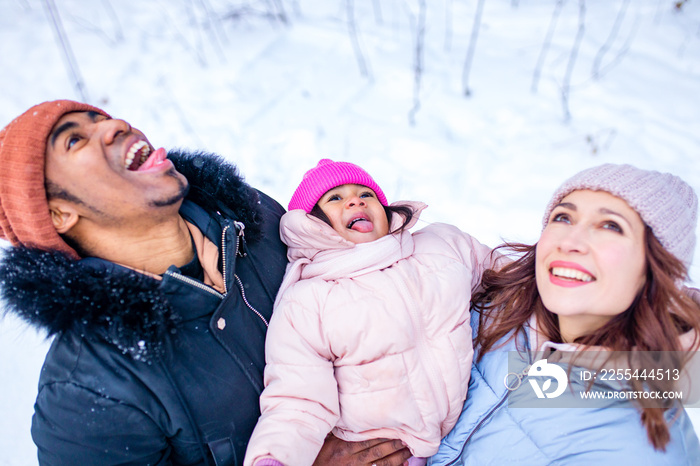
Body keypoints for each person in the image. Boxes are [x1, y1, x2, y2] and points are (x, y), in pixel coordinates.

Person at [0, 100, 411, 465]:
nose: (116, 125)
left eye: (101, 118)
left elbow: (363, 274)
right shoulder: (86, 394)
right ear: (57, 215)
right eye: (75, 141)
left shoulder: (253, 217)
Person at [430, 164, 700, 465]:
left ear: (655, 269)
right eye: (563, 217)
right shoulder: (484, 309)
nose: (569, 242)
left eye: (611, 226)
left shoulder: (643, 450)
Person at [243, 159, 498, 466]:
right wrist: (275, 458)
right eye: (335, 198)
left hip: (470, 424)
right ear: (311, 224)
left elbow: (507, 276)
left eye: (367, 194)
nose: (356, 200)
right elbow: (298, 396)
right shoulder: (310, 299)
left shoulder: (440, 245)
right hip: (383, 451)